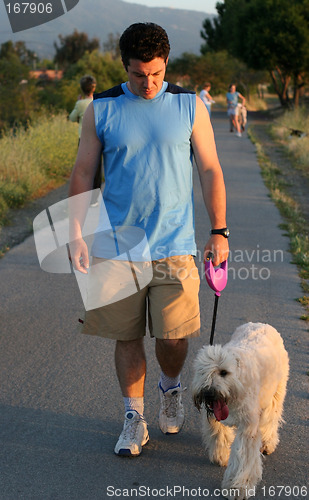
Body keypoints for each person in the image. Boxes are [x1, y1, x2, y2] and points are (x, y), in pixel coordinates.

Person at [68, 22, 229, 458]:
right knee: (127, 335)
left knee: (174, 339)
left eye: (156, 73)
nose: (149, 83)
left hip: (175, 244)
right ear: (125, 67)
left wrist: (219, 229)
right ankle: (133, 417)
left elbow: (210, 169)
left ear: (166, 65)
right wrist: (76, 233)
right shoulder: (101, 109)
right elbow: (83, 173)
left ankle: (171, 387)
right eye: (139, 74)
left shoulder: (189, 105)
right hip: (118, 247)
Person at [69, 75, 102, 205]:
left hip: (83, 139)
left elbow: (72, 118)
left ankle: (82, 197)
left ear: (82, 89)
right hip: (98, 139)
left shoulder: (80, 104)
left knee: (83, 170)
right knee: (97, 170)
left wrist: (78, 102)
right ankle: (94, 199)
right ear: (94, 88)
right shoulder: (99, 101)